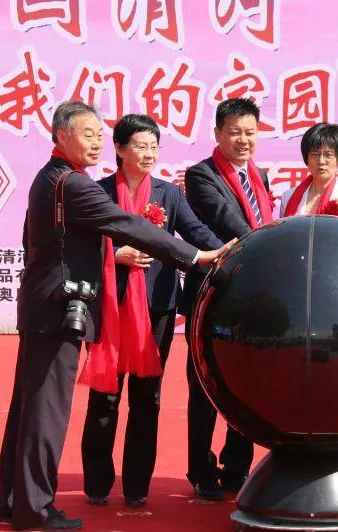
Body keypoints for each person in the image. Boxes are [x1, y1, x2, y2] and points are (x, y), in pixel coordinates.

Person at [0, 101, 232, 530]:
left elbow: (32, 237)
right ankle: (35, 510)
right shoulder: (75, 183)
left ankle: (15, 500)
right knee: (46, 413)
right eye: (88, 134)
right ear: (61, 135)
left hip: (44, 306)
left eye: (99, 135)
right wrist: (196, 257)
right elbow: (129, 225)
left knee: (29, 409)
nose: (96, 143)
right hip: (59, 309)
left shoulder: (50, 177)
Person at [80, 114, 224, 509]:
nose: (149, 153)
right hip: (110, 308)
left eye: (154, 146)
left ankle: (136, 487)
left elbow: (196, 234)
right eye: (140, 146)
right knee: (105, 397)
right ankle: (97, 483)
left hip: (156, 309)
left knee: (147, 398)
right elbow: (81, 246)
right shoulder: (98, 192)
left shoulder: (169, 194)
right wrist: (116, 254)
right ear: (120, 148)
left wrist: (229, 250)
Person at [182, 97, 273, 500]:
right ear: (218, 133)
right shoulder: (201, 175)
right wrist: (268, 246)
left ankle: (237, 467)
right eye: (235, 132)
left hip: (251, 296)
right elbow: (225, 219)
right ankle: (200, 470)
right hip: (213, 292)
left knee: (247, 382)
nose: (243, 140)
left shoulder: (260, 176)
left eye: (250, 132)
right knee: (205, 385)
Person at [280, 122, 338, 220]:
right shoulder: (289, 196)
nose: (321, 161)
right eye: (315, 155)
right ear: (306, 158)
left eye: (328, 155)